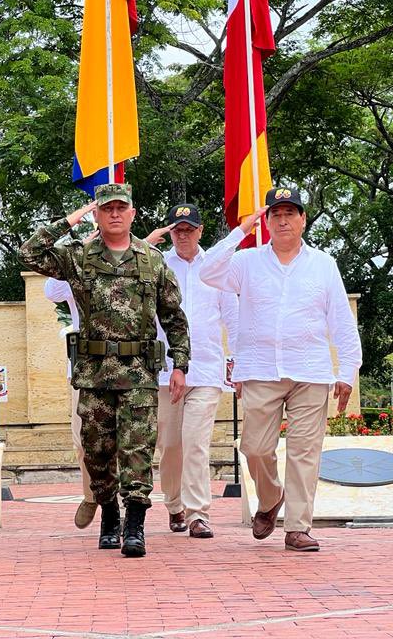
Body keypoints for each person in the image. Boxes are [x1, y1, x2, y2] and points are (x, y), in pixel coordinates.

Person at [21, 183, 190, 557]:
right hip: (95, 375)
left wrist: (180, 364)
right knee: (96, 451)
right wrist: (71, 219)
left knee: (138, 450)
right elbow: (30, 252)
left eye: (121, 208)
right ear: (97, 215)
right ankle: (109, 512)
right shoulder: (79, 257)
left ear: (132, 214)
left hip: (139, 374)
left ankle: (135, 525)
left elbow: (174, 317)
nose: (115, 214)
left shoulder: (152, 260)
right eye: (107, 208)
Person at [199, 187, 361, 553]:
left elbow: (340, 319)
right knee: (255, 448)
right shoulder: (247, 262)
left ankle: (298, 526)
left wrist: (347, 370)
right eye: (275, 214)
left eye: (291, 213)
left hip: (311, 371)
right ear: (266, 221)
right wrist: (241, 231)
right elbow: (208, 272)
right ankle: (271, 498)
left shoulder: (323, 264)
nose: (283, 220)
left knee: (305, 451)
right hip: (260, 370)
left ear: (303, 219)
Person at [145, 203, 238, 539]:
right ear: (170, 233)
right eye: (177, 230)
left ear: (200, 231)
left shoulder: (215, 267)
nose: (183, 235)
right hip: (165, 370)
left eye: (189, 229)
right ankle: (174, 505)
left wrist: (239, 361)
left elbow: (233, 317)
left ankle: (199, 512)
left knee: (196, 442)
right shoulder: (155, 263)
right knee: (170, 445)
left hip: (207, 368)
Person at [43, 276, 97, 529]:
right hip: (84, 368)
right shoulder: (81, 261)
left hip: (125, 369)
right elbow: (52, 291)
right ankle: (91, 495)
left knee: (123, 441)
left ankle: (118, 508)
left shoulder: (137, 259)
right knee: (82, 439)